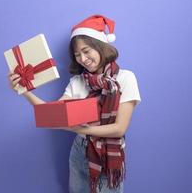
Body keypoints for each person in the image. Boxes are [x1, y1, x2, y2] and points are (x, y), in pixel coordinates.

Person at [8, 14, 141, 193]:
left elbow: (119, 128)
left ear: (101, 46)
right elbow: (51, 115)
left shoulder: (125, 78)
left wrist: (82, 130)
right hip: (80, 151)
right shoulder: (78, 81)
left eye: (86, 51)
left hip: (108, 155)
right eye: (77, 55)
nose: (83, 59)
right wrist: (24, 91)